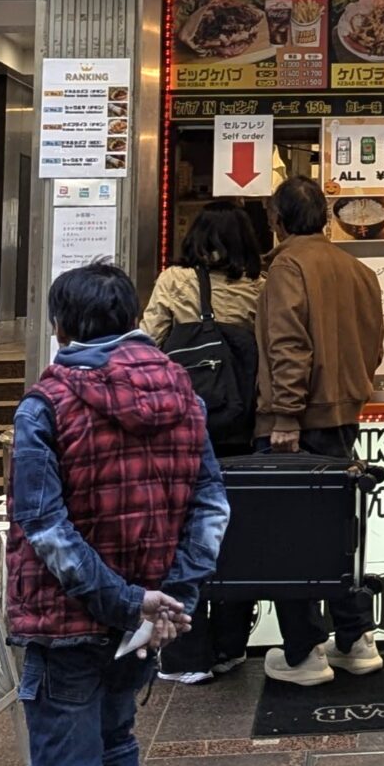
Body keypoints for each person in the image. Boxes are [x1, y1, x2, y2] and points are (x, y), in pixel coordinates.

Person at [4, 262, 230, 766]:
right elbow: (211, 508)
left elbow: (43, 526)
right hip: (144, 624)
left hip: (67, 623)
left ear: (61, 327)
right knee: (116, 752)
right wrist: (170, 599)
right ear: (134, 316)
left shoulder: (47, 403)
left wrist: (125, 600)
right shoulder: (182, 392)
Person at [258, 175, 384, 687]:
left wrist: (285, 414)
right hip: (344, 419)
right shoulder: (357, 270)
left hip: (299, 422)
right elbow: (375, 345)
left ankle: (302, 653)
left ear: (278, 219)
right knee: (341, 533)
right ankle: (356, 639)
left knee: (291, 539)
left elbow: (288, 344)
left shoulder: (287, 266)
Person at [140, 203, 264, 684]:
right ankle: (231, 646)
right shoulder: (259, 289)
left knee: (181, 541)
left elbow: (148, 343)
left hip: (183, 432)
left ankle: (187, 655)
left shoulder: (173, 282)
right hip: (239, 429)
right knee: (236, 537)